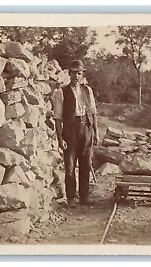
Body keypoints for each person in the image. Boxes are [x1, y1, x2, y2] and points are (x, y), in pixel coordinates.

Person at [53, 60, 99, 208]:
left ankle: (84, 197)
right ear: (69, 74)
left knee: (86, 165)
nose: (76, 76)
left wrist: (96, 133)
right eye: (73, 73)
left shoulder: (88, 90)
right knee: (70, 167)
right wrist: (60, 138)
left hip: (86, 129)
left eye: (79, 73)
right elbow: (58, 117)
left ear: (82, 74)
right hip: (70, 131)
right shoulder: (62, 92)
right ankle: (71, 198)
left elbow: (93, 112)